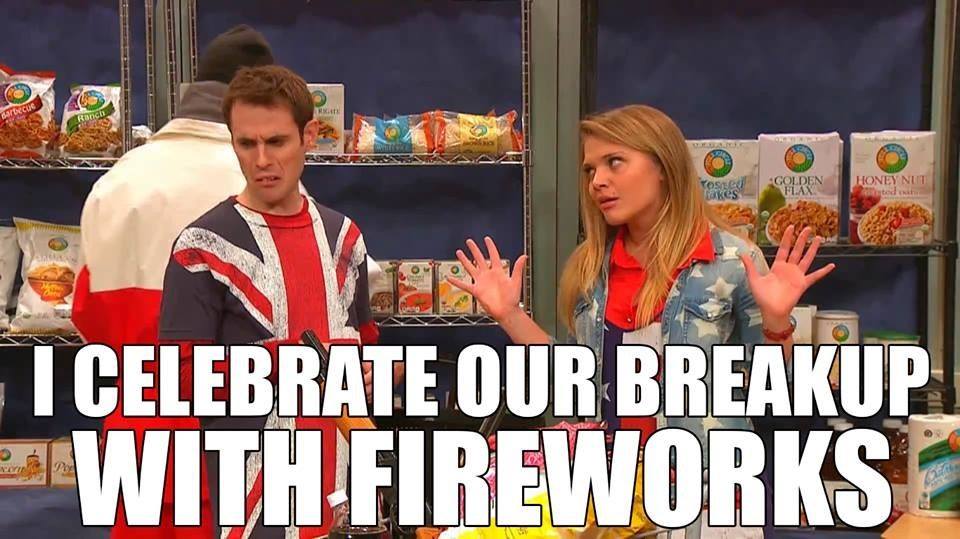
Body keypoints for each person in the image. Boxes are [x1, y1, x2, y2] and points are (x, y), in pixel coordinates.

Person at [448, 104, 836, 538]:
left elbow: (781, 399)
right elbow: (578, 382)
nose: (597, 181)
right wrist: (510, 315)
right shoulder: (590, 269)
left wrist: (778, 323)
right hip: (617, 503)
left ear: (664, 167)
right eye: (590, 169)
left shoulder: (732, 260)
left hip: (709, 499)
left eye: (615, 162)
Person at [157, 64, 381, 539]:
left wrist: (376, 372)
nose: (261, 160)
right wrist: (277, 362)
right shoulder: (201, 247)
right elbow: (179, 378)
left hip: (348, 485)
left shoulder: (345, 239)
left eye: (276, 142)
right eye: (246, 144)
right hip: (256, 499)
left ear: (309, 136)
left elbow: (367, 344)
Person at [71, 25, 276, 539]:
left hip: (138, 447)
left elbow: (87, 315)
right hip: (234, 453)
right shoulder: (261, 184)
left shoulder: (116, 181)